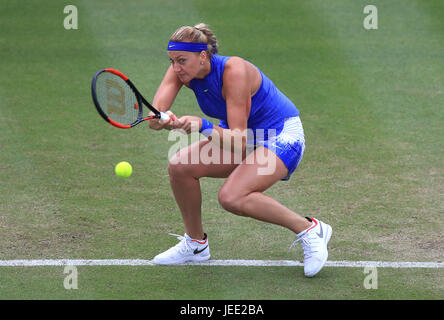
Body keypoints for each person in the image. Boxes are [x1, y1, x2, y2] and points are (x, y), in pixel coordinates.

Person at [148, 23, 332, 277]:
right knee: (179, 167)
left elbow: (238, 142)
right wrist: (161, 120)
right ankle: (195, 245)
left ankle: (310, 230)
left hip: (279, 135)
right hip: (239, 136)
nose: (176, 68)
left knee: (232, 197)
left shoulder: (235, 71)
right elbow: (156, 119)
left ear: (203, 56)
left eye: (181, 60)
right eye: (172, 61)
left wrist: (201, 124)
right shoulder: (180, 71)